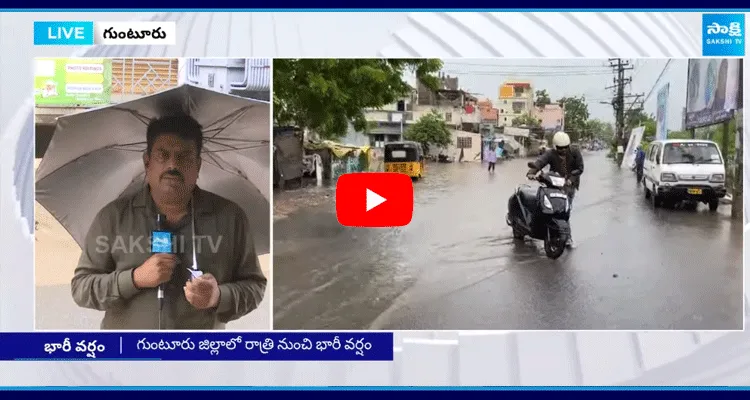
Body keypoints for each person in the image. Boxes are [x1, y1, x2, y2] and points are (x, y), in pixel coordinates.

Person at [71, 115, 267, 330]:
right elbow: (82, 288)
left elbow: (254, 287)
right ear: (147, 162)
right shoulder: (113, 217)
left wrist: (218, 296)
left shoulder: (230, 218)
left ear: (198, 165)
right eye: (162, 156)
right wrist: (135, 279)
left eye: (184, 157)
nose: (173, 165)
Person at [526, 131, 584, 248]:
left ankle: (567, 237)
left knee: (564, 211)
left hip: (569, 186)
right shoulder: (550, 154)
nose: (563, 150)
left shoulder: (575, 152)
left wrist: (571, 179)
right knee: (546, 207)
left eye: (565, 148)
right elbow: (540, 162)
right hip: (553, 185)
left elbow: (580, 168)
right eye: (560, 148)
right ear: (555, 147)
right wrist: (531, 172)